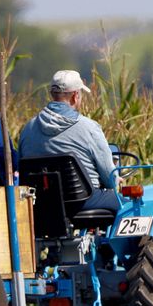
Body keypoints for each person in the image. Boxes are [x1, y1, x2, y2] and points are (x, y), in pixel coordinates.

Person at [19, 70, 119, 211]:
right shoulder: (89, 127)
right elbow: (110, 180)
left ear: (52, 94)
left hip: (43, 205)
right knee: (129, 205)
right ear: (75, 96)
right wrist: (116, 180)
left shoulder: (28, 129)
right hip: (84, 201)